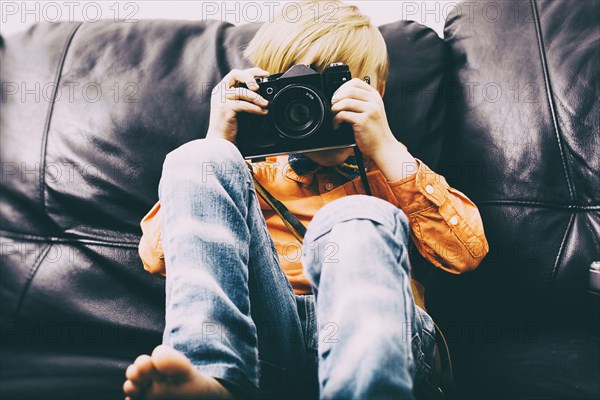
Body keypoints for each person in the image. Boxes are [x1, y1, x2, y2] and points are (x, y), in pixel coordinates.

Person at [122, 1, 489, 398]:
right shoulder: (246, 174)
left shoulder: (393, 173)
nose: (313, 107)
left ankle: (370, 386)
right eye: (295, 92)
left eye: (330, 87)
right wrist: (219, 141)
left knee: (355, 216)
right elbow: (159, 258)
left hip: (378, 338)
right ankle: (213, 377)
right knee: (199, 158)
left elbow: (465, 253)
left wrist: (387, 148)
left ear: (376, 92)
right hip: (268, 341)